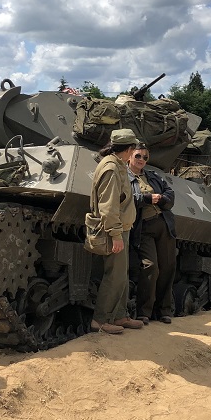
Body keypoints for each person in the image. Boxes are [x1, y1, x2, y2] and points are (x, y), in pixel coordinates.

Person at [88, 128, 145, 334]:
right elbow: (108, 206)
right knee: (114, 275)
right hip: (113, 230)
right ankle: (100, 320)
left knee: (121, 274)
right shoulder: (111, 168)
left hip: (122, 228)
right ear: (129, 149)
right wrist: (115, 234)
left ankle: (119, 315)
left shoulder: (117, 165)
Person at [128, 144, 176, 324]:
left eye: (145, 157)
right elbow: (124, 197)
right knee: (150, 266)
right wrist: (146, 198)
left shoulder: (152, 176)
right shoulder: (124, 177)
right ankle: (144, 311)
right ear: (129, 157)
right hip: (143, 226)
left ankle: (163, 310)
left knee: (168, 266)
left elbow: (169, 192)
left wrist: (162, 199)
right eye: (138, 156)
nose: (141, 160)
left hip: (164, 223)